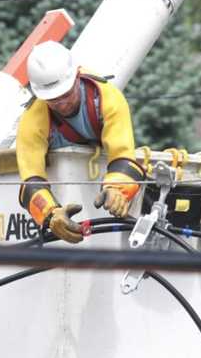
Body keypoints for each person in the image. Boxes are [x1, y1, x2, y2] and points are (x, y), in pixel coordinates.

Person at [16, 41, 145, 244]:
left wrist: (117, 190)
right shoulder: (33, 118)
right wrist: (51, 214)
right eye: (53, 100)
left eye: (66, 94)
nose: (62, 104)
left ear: (77, 77)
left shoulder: (107, 98)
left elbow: (123, 155)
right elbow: (31, 181)